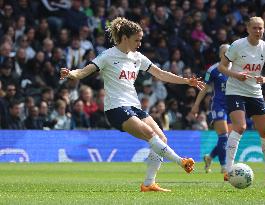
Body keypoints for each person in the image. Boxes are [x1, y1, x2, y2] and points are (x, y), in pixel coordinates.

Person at [60, 17, 205, 192]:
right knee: (150, 134)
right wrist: (71, 74)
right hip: (116, 108)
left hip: (134, 106)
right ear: (125, 38)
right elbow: (83, 72)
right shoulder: (107, 56)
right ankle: (181, 161)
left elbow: (160, 74)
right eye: (137, 40)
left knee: (162, 138)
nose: (140, 43)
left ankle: (148, 183)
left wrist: (186, 81)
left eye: (141, 40)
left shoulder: (138, 57)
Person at [218, 17, 265, 182]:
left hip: (255, 92)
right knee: (240, 126)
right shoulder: (237, 45)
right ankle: (228, 170)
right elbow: (222, 67)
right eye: (254, 28)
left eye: (260, 28)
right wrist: (236, 75)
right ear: (248, 29)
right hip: (235, 90)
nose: (258, 31)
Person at [191, 44, 232, 174]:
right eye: (225, 53)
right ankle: (224, 166)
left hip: (233, 106)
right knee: (224, 136)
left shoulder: (237, 68)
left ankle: (210, 157)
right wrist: (196, 104)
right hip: (219, 105)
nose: (228, 55)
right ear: (220, 55)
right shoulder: (213, 70)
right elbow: (204, 89)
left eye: (230, 52)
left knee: (227, 139)